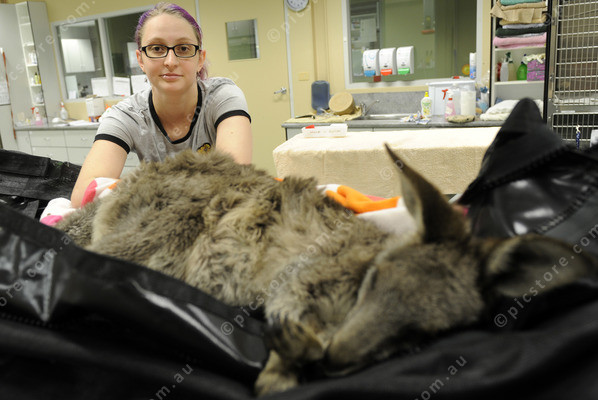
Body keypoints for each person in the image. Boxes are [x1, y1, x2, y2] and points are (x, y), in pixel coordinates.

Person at [70, 2, 252, 207]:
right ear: (140, 59)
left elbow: (233, 180)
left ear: (200, 59)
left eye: (183, 48)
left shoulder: (222, 96)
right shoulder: (126, 115)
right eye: (157, 49)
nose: (170, 61)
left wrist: (142, 190)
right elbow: (83, 196)